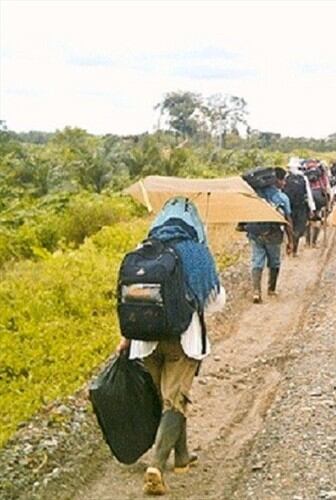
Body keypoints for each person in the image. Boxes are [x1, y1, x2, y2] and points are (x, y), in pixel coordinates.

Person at [115, 197, 226, 496]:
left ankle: (182, 456)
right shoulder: (196, 253)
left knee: (168, 397)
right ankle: (157, 465)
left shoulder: (142, 250)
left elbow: (130, 299)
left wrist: (126, 338)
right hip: (182, 339)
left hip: (144, 340)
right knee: (175, 400)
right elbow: (216, 302)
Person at [246, 167, 294, 303]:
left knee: (257, 261)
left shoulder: (255, 195)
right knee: (274, 261)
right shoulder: (281, 197)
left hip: (255, 233)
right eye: (283, 180)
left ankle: (256, 291)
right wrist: (291, 240)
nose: (284, 183)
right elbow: (287, 220)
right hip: (273, 235)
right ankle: (271, 289)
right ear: (276, 181)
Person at [284, 157, 316, 256]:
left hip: (288, 207)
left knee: (289, 226)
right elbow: (308, 194)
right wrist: (312, 208)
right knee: (299, 228)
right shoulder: (303, 178)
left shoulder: (286, 178)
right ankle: (294, 250)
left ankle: (290, 243)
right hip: (301, 206)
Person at [304, 159, 331, 248]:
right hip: (319, 196)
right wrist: (328, 203)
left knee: (308, 220)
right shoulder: (321, 172)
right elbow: (327, 187)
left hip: (309, 197)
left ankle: (308, 242)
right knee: (318, 219)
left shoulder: (305, 173)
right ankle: (314, 242)